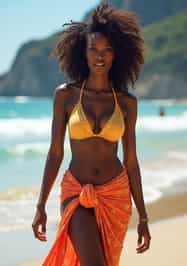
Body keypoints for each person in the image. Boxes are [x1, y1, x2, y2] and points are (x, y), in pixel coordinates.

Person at [32, 3, 151, 266]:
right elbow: (55, 153)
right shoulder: (65, 95)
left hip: (115, 196)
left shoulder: (126, 103)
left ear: (116, 54)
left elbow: (131, 161)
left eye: (107, 50)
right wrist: (40, 205)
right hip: (76, 190)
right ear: (82, 53)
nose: (100, 56)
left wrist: (143, 215)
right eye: (93, 49)